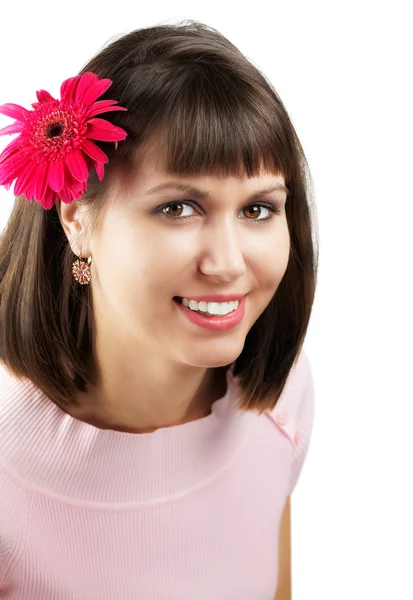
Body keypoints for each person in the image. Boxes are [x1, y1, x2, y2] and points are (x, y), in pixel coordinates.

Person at [0, 20, 317, 600]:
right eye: (177, 208)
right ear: (76, 219)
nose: (226, 263)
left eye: (257, 210)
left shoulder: (280, 398)